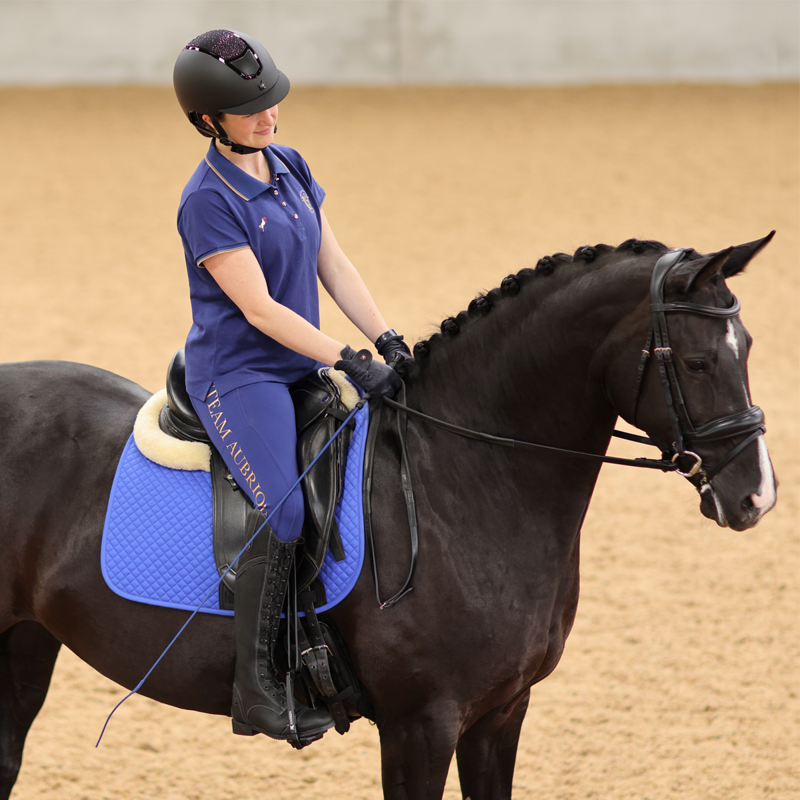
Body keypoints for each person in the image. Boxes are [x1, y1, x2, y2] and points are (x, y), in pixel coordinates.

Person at [172, 29, 411, 747]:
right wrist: (346, 358)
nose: (269, 117)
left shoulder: (291, 163)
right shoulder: (206, 201)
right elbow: (262, 311)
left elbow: (333, 265)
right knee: (281, 512)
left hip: (300, 362)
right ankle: (256, 690)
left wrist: (386, 335)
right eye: (250, 110)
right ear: (208, 121)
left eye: (271, 101)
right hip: (240, 373)